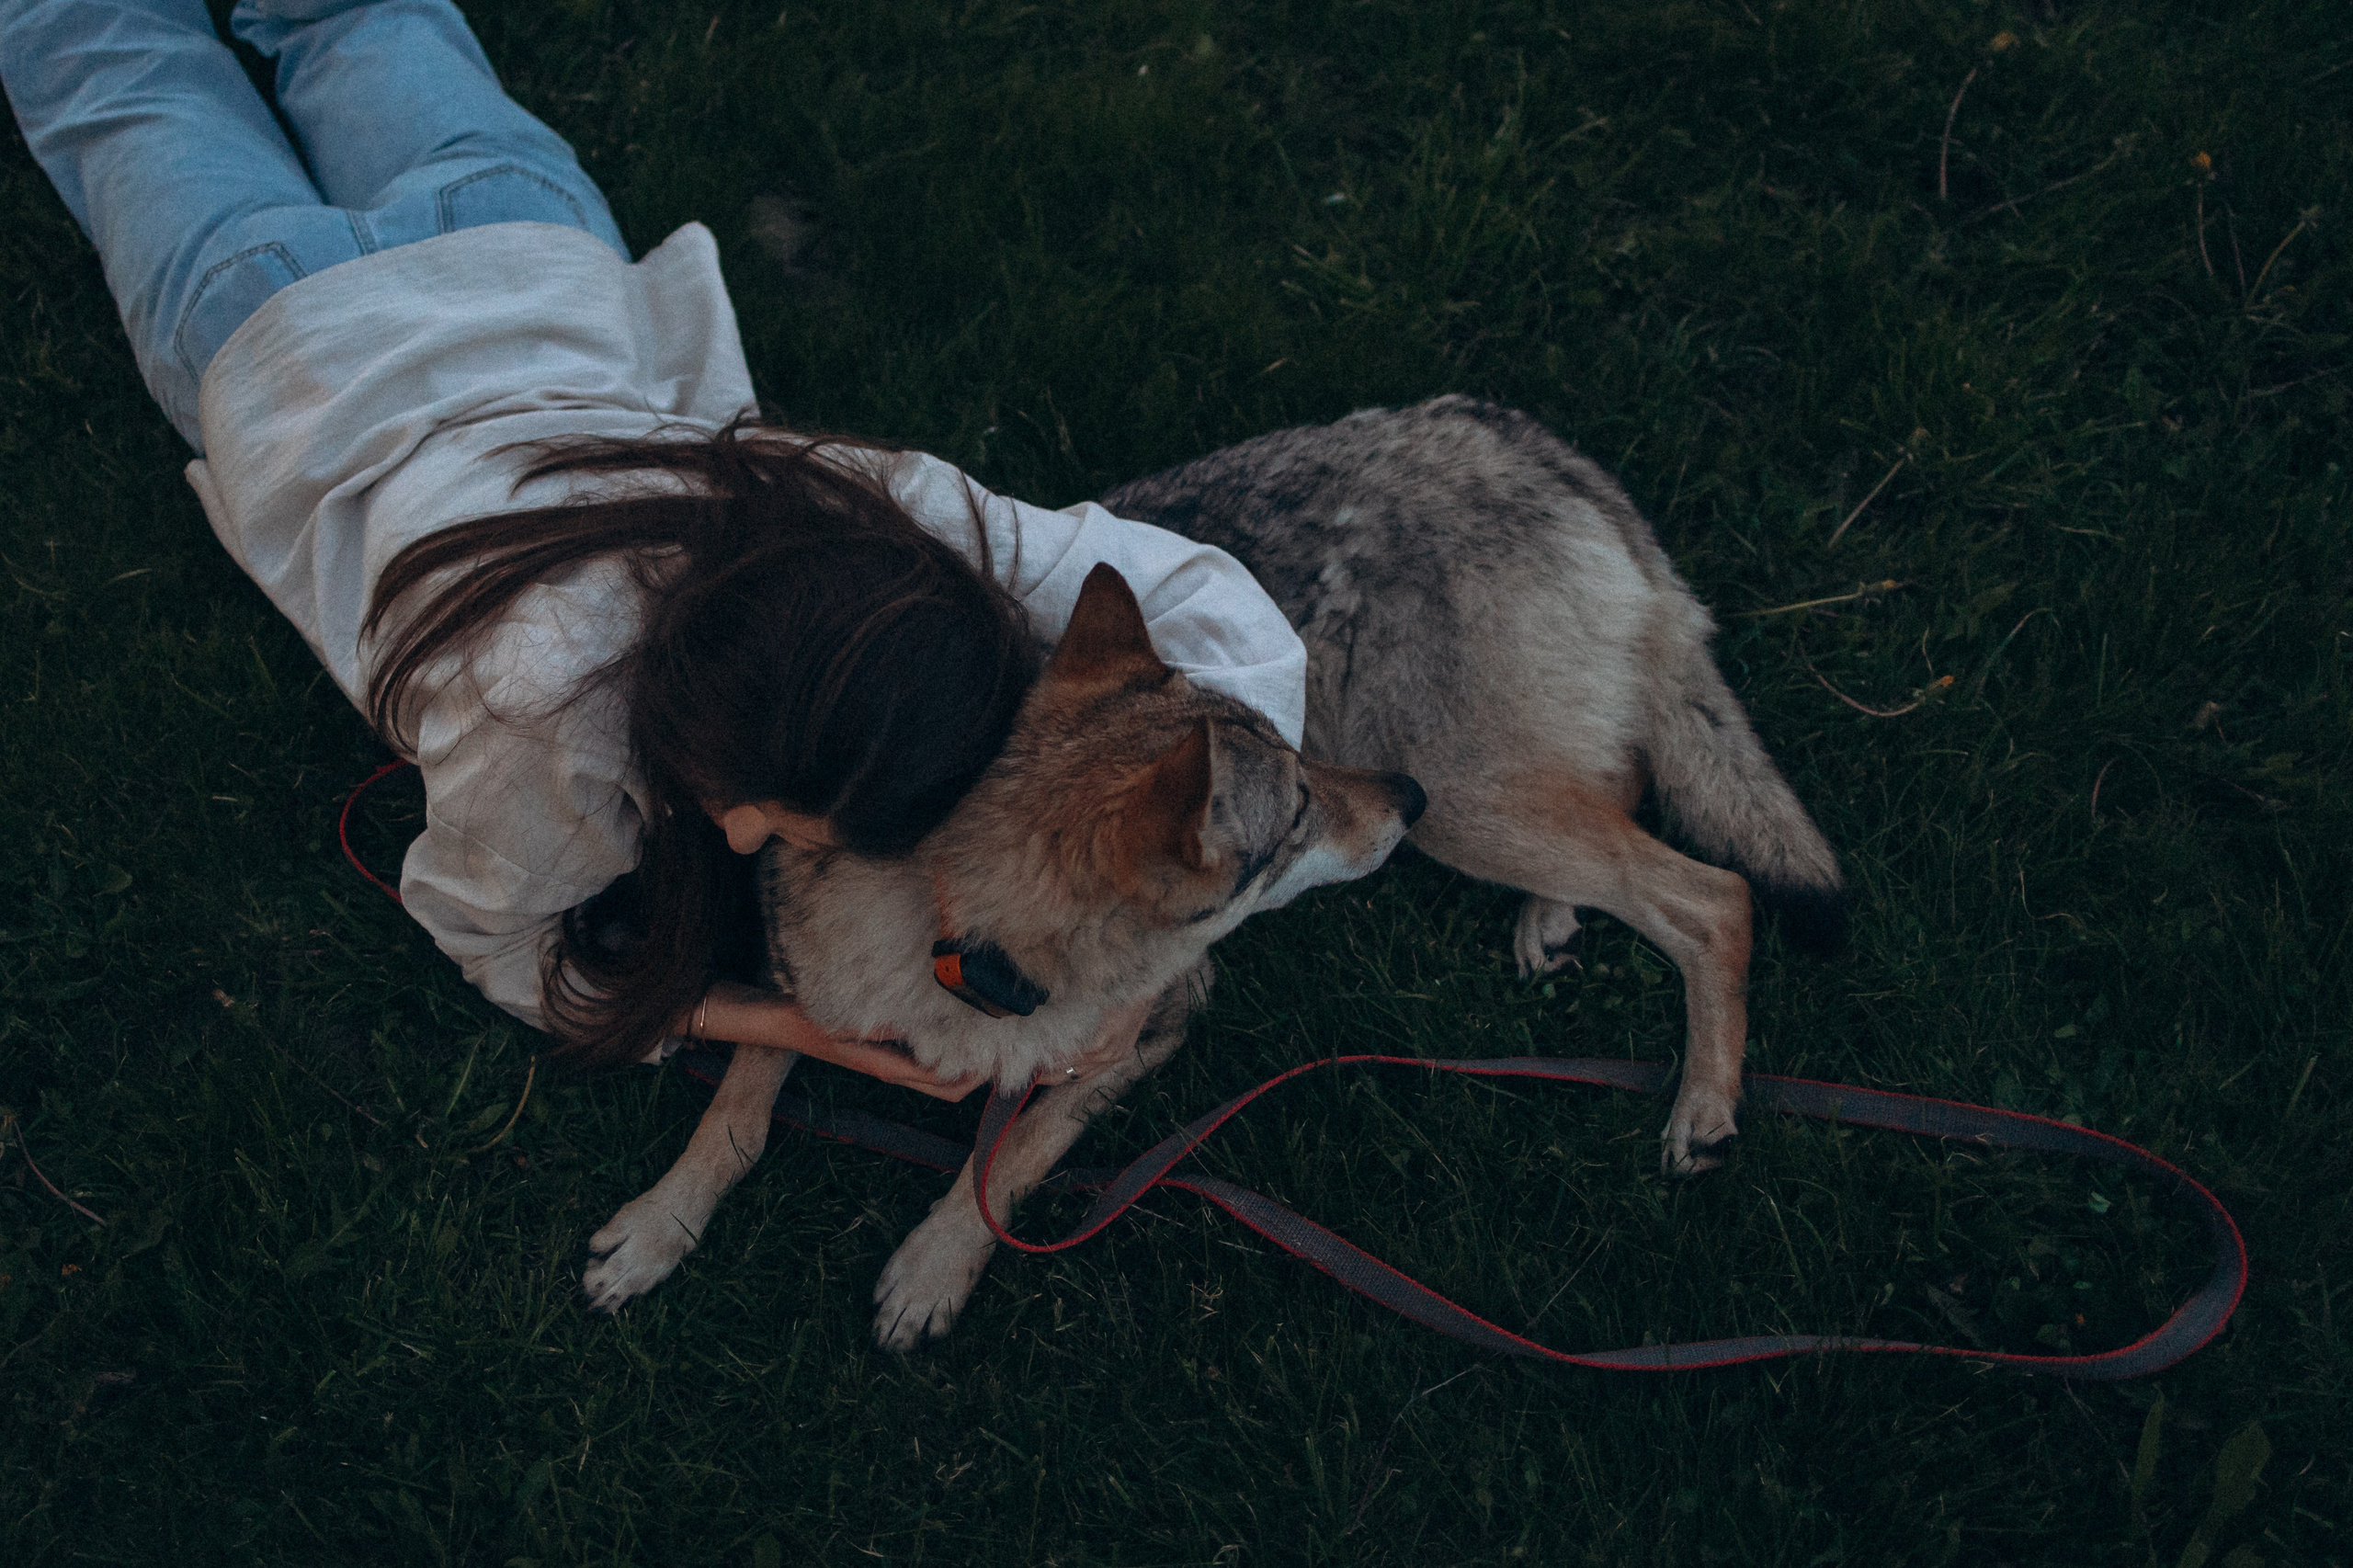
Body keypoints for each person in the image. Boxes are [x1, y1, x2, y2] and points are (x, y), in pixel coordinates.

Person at [0, 0, 1308, 1096]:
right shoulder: (547, 730)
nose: (741, 836)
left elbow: (1225, 620)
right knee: (105, 52)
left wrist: (1147, 758)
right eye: (777, 814)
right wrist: (791, 1025)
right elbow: (493, 940)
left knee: (357, 14)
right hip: (272, 329)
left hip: (517, 243)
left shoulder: (856, 506)